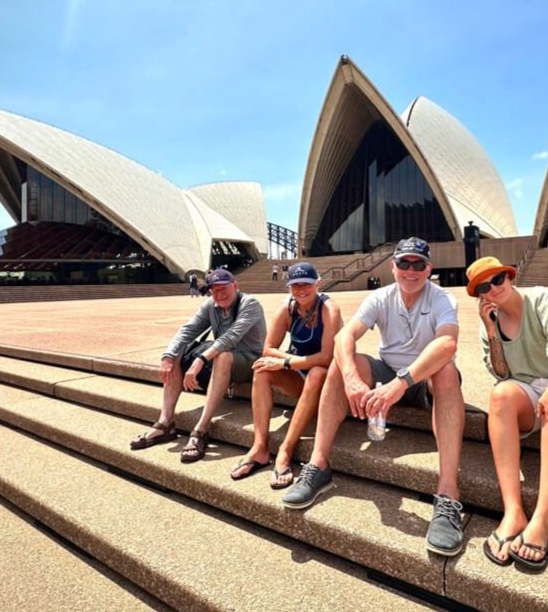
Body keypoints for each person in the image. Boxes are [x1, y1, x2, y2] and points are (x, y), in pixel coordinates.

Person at [282, 237, 467, 557]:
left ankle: (448, 494)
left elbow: (447, 344)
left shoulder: (443, 299)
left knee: (447, 369)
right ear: (392, 267)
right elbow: (344, 336)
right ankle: (318, 465)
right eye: (404, 263)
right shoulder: (380, 297)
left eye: (418, 264)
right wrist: (353, 379)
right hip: (388, 372)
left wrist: (401, 383)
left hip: (422, 380)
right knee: (341, 365)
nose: (411, 270)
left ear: (429, 269)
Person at [465, 256, 548, 571]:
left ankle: (543, 517)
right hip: (528, 394)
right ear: (480, 296)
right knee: (500, 395)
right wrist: (491, 330)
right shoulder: (490, 322)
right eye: (483, 287)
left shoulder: (540, 298)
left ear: (509, 277)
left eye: (497, 279)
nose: (493, 288)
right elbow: (502, 373)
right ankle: (513, 511)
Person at [130, 269, 267, 462]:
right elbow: (187, 330)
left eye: (224, 288)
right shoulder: (211, 305)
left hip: (249, 361)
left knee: (223, 356)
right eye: (215, 290)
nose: (220, 294)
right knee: (177, 354)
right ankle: (165, 422)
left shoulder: (250, 304)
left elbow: (231, 337)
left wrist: (200, 360)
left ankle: (201, 430)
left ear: (235, 285)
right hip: (220, 359)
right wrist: (168, 357)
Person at [230, 262, 343, 488]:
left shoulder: (329, 309)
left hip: (327, 383)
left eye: (307, 284)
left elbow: (326, 357)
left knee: (318, 373)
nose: (301, 289)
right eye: (295, 285)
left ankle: (285, 449)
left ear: (317, 284)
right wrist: (283, 362)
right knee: (261, 368)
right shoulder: (287, 308)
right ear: (289, 286)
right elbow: (268, 349)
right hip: (299, 374)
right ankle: (260, 446)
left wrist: (287, 361)